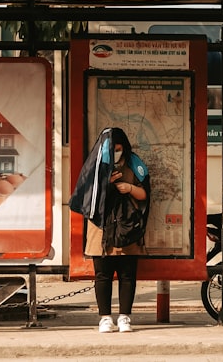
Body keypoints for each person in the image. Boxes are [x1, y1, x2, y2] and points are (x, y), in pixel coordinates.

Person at [69, 128, 150, 334]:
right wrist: (106, 184)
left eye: (120, 149)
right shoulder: (95, 166)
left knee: (127, 275)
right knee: (102, 275)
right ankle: (105, 318)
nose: (116, 153)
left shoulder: (134, 164)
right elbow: (86, 197)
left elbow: (146, 195)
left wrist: (129, 188)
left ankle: (125, 317)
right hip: (101, 231)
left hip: (127, 228)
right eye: (112, 149)